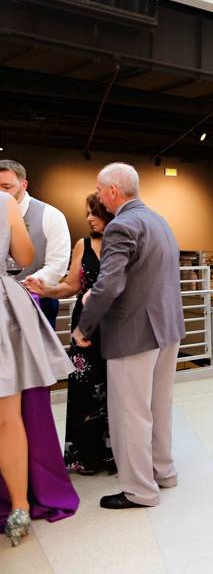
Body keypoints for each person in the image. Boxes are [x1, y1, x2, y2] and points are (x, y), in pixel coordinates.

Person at [73, 163, 185, 510]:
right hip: (167, 328)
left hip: (134, 331)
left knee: (130, 413)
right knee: (158, 406)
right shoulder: (158, 220)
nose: (99, 195)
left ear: (112, 192)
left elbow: (108, 286)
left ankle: (140, 490)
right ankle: (162, 472)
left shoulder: (121, 226)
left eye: (99, 188)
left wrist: (83, 327)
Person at [0, 190, 76, 546]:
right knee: (8, 417)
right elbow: (26, 255)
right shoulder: (5, 204)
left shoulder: (49, 214)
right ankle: (19, 505)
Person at [26, 194, 116, 475]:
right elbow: (71, 285)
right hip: (85, 327)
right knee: (85, 389)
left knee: (118, 390)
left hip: (118, 327)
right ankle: (87, 456)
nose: (88, 218)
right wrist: (46, 289)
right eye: (87, 213)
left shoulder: (126, 244)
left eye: (95, 213)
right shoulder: (83, 244)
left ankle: (119, 454)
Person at [0, 160, 70, 329]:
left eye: (6, 187)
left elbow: (57, 264)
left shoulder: (51, 215)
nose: (1, 193)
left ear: (24, 185)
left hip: (38, 303)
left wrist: (27, 286)